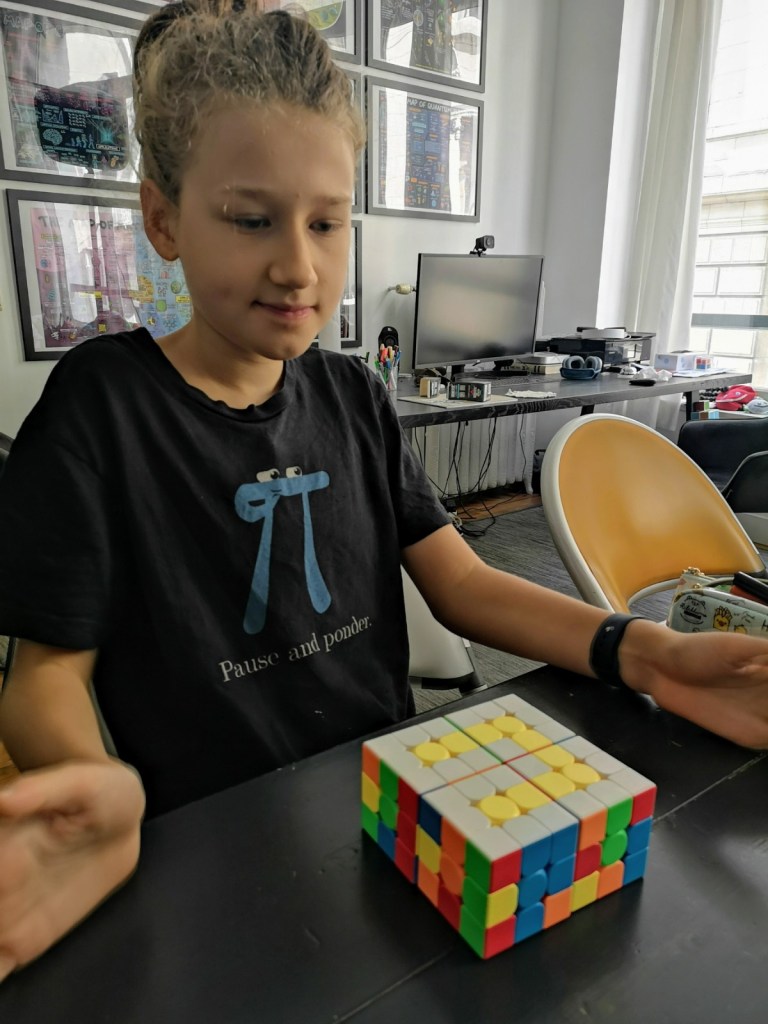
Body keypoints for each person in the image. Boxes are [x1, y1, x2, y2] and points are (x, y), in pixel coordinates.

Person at [0, 0, 766, 984]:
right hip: (214, 849)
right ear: (163, 218)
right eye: (251, 219)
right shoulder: (100, 406)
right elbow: (44, 676)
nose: (298, 265)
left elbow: (464, 584)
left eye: (326, 222)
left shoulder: (352, 394)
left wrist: (641, 650)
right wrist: (89, 785)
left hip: (392, 804)